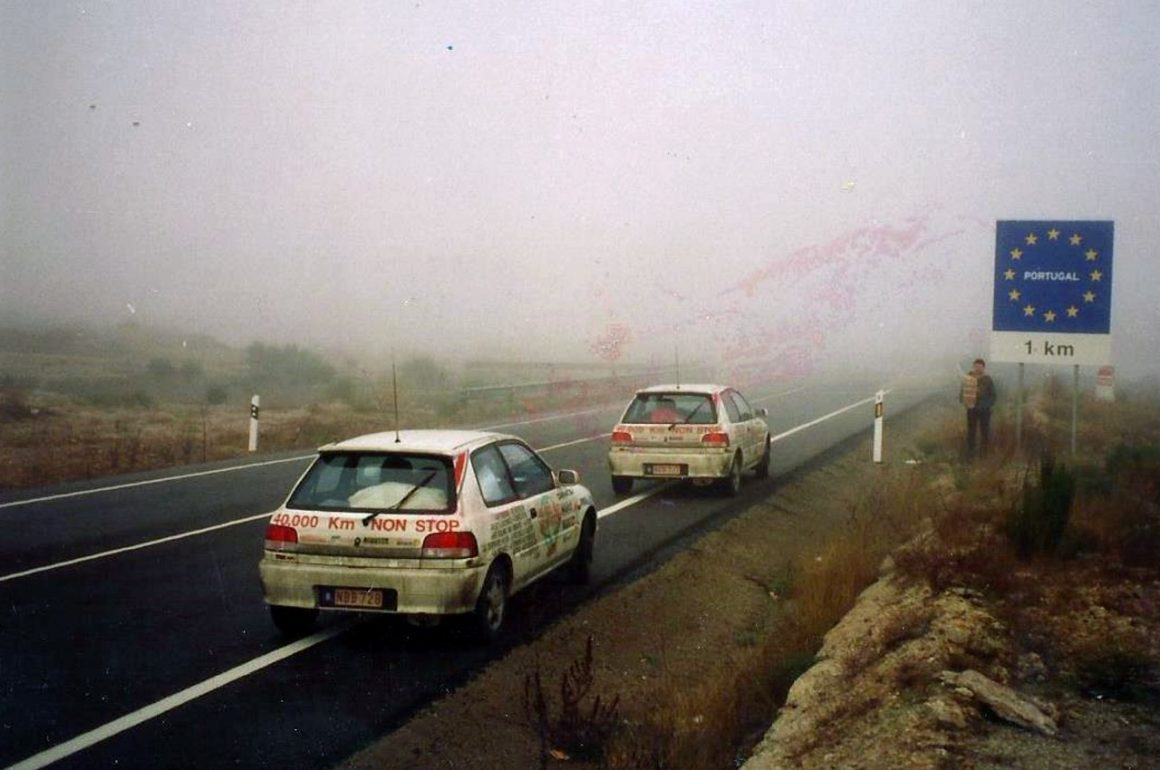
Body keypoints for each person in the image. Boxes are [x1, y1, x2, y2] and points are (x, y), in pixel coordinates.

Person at [960, 358, 996, 458]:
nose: (978, 369)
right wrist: (965, 402)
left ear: (984, 368)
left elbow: (993, 395)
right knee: (971, 432)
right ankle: (970, 454)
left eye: (980, 367)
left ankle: (984, 455)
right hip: (971, 410)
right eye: (976, 366)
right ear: (973, 367)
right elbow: (963, 392)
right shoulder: (968, 378)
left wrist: (985, 405)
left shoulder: (988, 379)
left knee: (984, 432)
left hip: (984, 411)